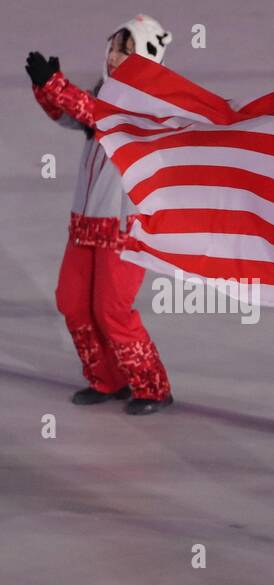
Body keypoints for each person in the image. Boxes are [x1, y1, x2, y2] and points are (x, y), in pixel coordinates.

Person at [27, 15, 175, 415]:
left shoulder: (149, 104)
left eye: (125, 50)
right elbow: (74, 115)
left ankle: (152, 387)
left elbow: (100, 116)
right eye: (113, 47)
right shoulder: (104, 94)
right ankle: (107, 379)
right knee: (72, 301)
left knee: (112, 310)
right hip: (86, 221)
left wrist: (57, 85)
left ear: (147, 57)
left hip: (125, 228)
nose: (113, 56)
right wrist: (45, 88)